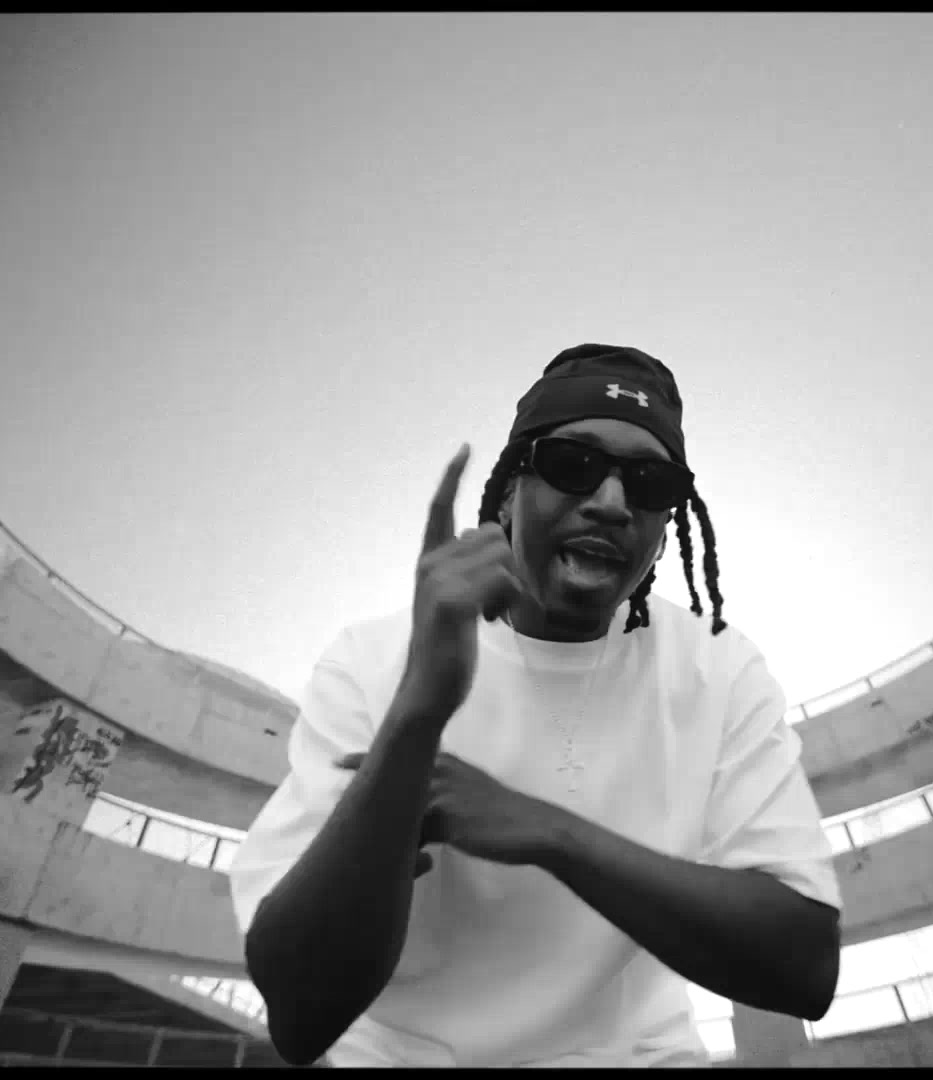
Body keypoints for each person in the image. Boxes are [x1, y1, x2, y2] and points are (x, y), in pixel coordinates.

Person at [229, 344, 842, 1067]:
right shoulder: (372, 659)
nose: (611, 501)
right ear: (509, 492)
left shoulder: (717, 668)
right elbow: (303, 1018)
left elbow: (804, 968)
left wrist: (549, 832)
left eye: (650, 482)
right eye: (572, 464)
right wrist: (418, 714)